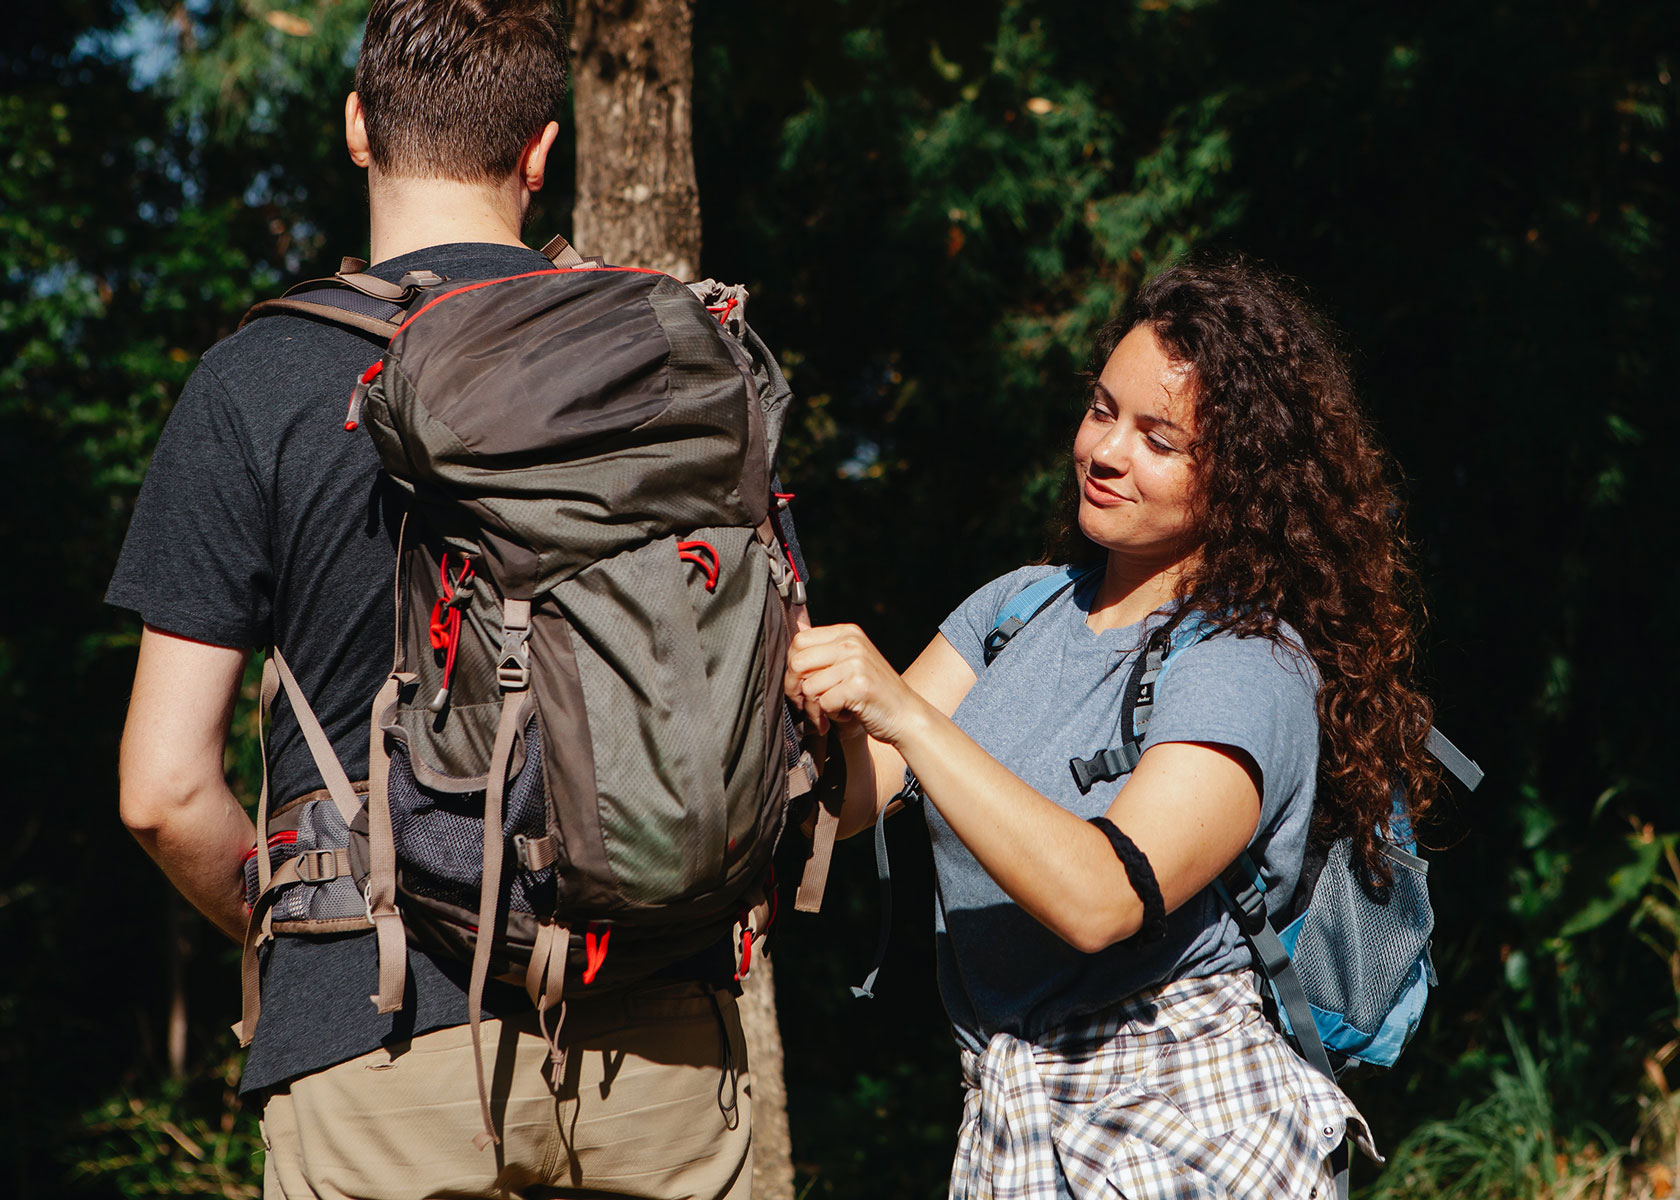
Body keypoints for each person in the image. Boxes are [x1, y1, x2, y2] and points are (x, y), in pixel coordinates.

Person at [108, 2, 752, 1196]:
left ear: (357, 126)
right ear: (541, 152)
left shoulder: (260, 381)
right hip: (655, 1029)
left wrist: (293, 918)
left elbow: (162, 789)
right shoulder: (675, 360)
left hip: (377, 1025)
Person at [785, 257, 1440, 1198]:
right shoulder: (1015, 610)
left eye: (1159, 438)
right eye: (1102, 411)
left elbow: (1104, 898)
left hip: (1188, 1129)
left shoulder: (1249, 666)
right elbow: (853, 804)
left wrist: (903, 714)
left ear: (1243, 476)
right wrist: (838, 710)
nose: (1106, 451)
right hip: (1010, 1113)